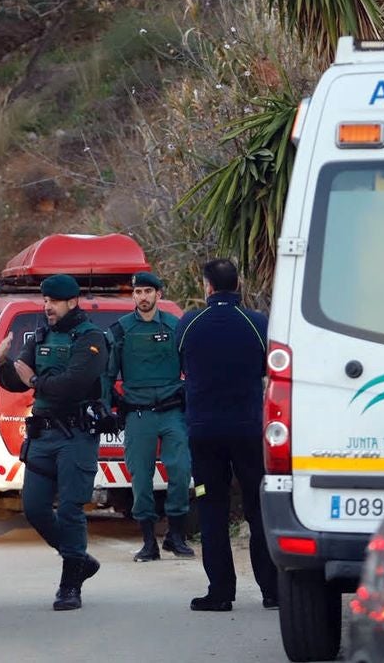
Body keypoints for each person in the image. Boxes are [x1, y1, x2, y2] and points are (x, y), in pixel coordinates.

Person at [0, 273, 108, 611]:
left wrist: (34, 380)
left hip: (75, 436)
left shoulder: (91, 339)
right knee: (35, 508)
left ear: (72, 302)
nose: (47, 307)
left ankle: (70, 585)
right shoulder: (42, 335)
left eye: (53, 302)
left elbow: (72, 384)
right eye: (44, 301)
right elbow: (17, 381)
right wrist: (2, 363)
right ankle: (79, 560)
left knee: (71, 510)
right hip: (43, 436)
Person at [174, 258, 278, 612]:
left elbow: (180, 366)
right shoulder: (257, 322)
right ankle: (271, 589)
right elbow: (270, 368)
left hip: (205, 434)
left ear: (207, 286)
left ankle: (220, 591)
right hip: (248, 431)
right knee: (257, 508)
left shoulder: (190, 323)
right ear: (238, 286)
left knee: (211, 509)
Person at [106, 270, 194, 562]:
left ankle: (176, 536)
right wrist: (110, 405)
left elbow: (192, 369)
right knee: (140, 479)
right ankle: (148, 542)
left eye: (148, 291)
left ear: (159, 294)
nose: (142, 297)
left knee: (180, 472)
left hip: (172, 413)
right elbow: (107, 374)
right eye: (137, 292)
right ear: (133, 295)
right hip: (138, 414)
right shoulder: (121, 330)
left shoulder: (176, 326)